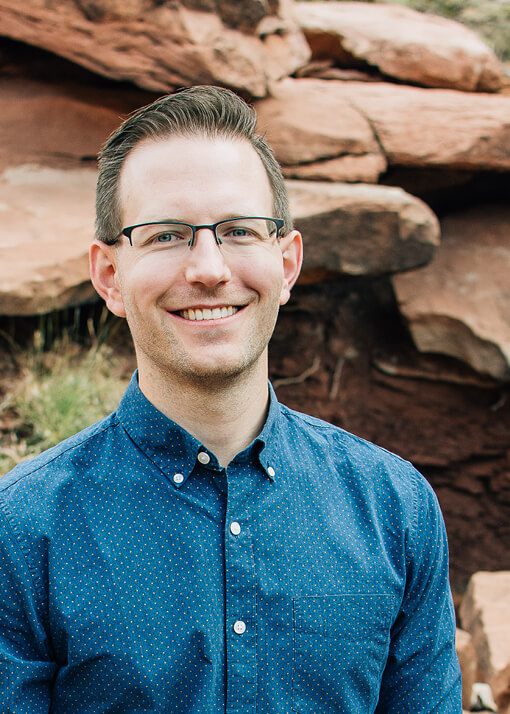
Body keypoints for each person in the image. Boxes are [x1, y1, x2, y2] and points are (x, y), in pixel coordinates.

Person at [0, 86, 461, 713]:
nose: (209, 268)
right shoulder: (22, 529)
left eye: (240, 230)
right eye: (166, 235)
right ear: (109, 275)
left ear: (288, 261)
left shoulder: (394, 509)